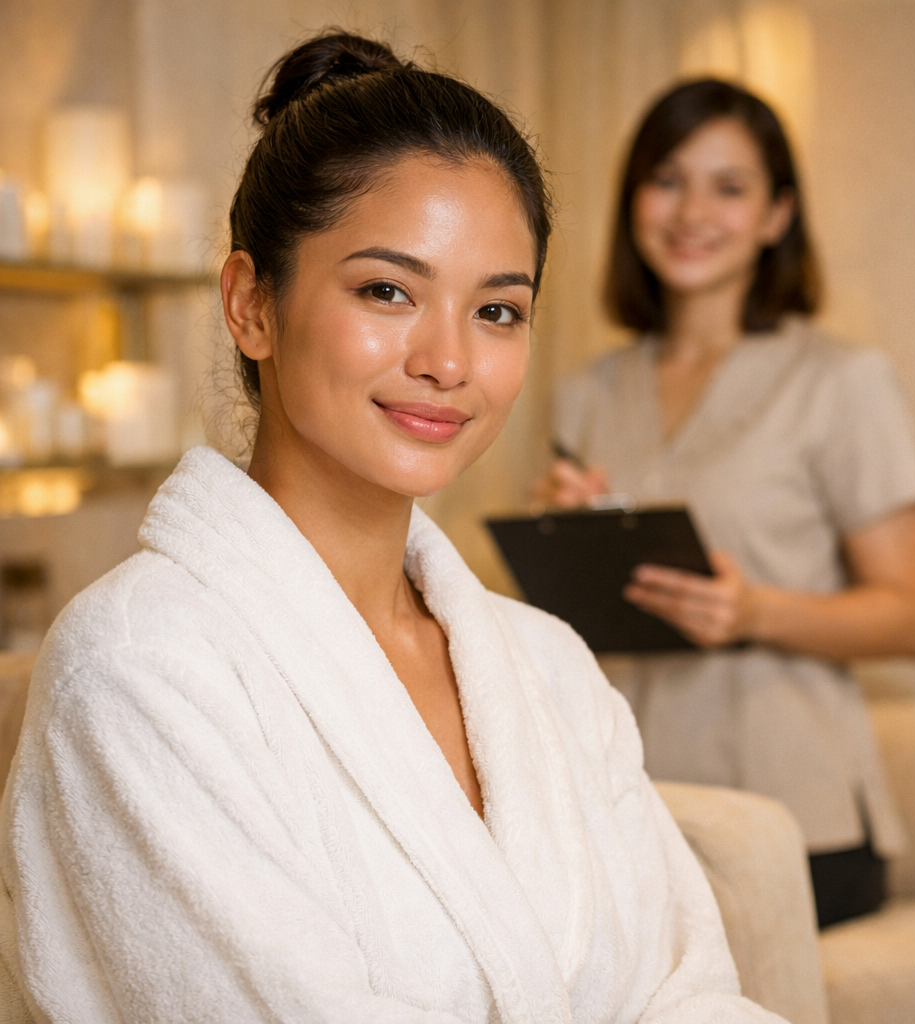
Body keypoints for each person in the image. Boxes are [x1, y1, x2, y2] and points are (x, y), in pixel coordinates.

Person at [0, 34, 782, 1023]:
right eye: (387, 290)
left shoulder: (548, 667)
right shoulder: (137, 666)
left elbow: (690, 993)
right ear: (251, 305)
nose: (449, 361)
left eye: (497, 311)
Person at [535, 79, 915, 929]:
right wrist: (564, 543)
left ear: (776, 215)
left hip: (797, 819)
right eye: (667, 180)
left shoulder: (841, 382)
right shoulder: (587, 395)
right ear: (633, 201)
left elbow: (913, 617)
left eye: (729, 187)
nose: (692, 212)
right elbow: (574, 629)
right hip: (630, 810)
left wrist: (755, 612)